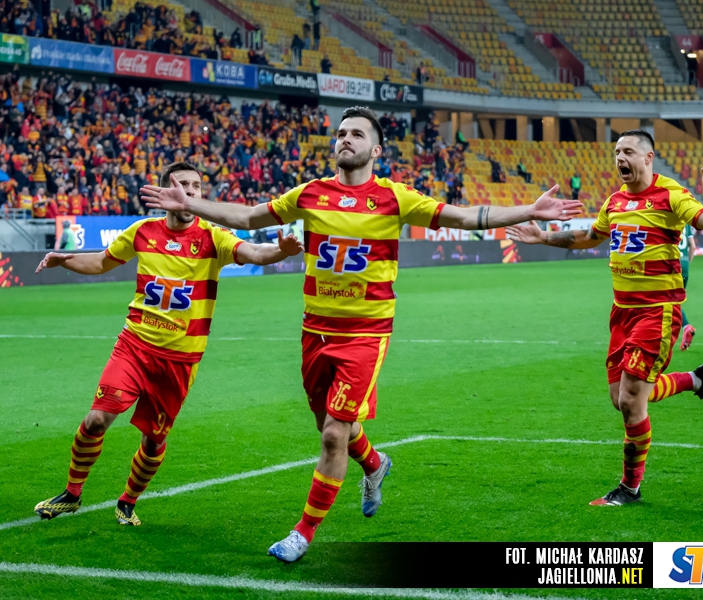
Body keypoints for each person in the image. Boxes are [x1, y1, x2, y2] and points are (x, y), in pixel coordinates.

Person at [140, 106, 583, 561]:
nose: (345, 139)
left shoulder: (395, 197)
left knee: (334, 434)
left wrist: (530, 209)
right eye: (341, 133)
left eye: (356, 134)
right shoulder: (310, 193)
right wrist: (189, 204)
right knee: (332, 426)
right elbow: (249, 217)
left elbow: (466, 217)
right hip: (315, 331)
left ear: (376, 150)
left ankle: (303, 533)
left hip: (366, 334)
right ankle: (374, 463)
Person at [33, 162, 303, 526]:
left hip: (179, 361)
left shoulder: (213, 237)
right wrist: (64, 260)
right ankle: (72, 494)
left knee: (154, 440)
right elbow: (101, 262)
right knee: (96, 419)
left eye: (195, 186)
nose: (189, 190)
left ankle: (128, 501)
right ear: (164, 192)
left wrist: (282, 251)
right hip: (134, 346)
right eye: (181, 184)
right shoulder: (143, 231)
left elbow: (255, 253)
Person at [507, 130, 703, 506]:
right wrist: (544, 238)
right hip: (621, 314)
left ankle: (629, 488)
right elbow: (592, 236)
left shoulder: (671, 194)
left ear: (648, 157)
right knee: (621, 398)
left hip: (657, 313)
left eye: (627, 151)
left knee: (631, 399)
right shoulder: (614, 202)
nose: (619, 158)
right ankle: (695, 380)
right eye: (616, 152)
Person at [678, 224, 698, 351]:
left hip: (672, 264)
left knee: (667, 301)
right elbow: (693, 246)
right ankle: (685, 328)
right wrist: (686, 264)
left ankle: (686, 326)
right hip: (685, 266)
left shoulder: (669, 218)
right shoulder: (686, 222)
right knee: (674, 301)